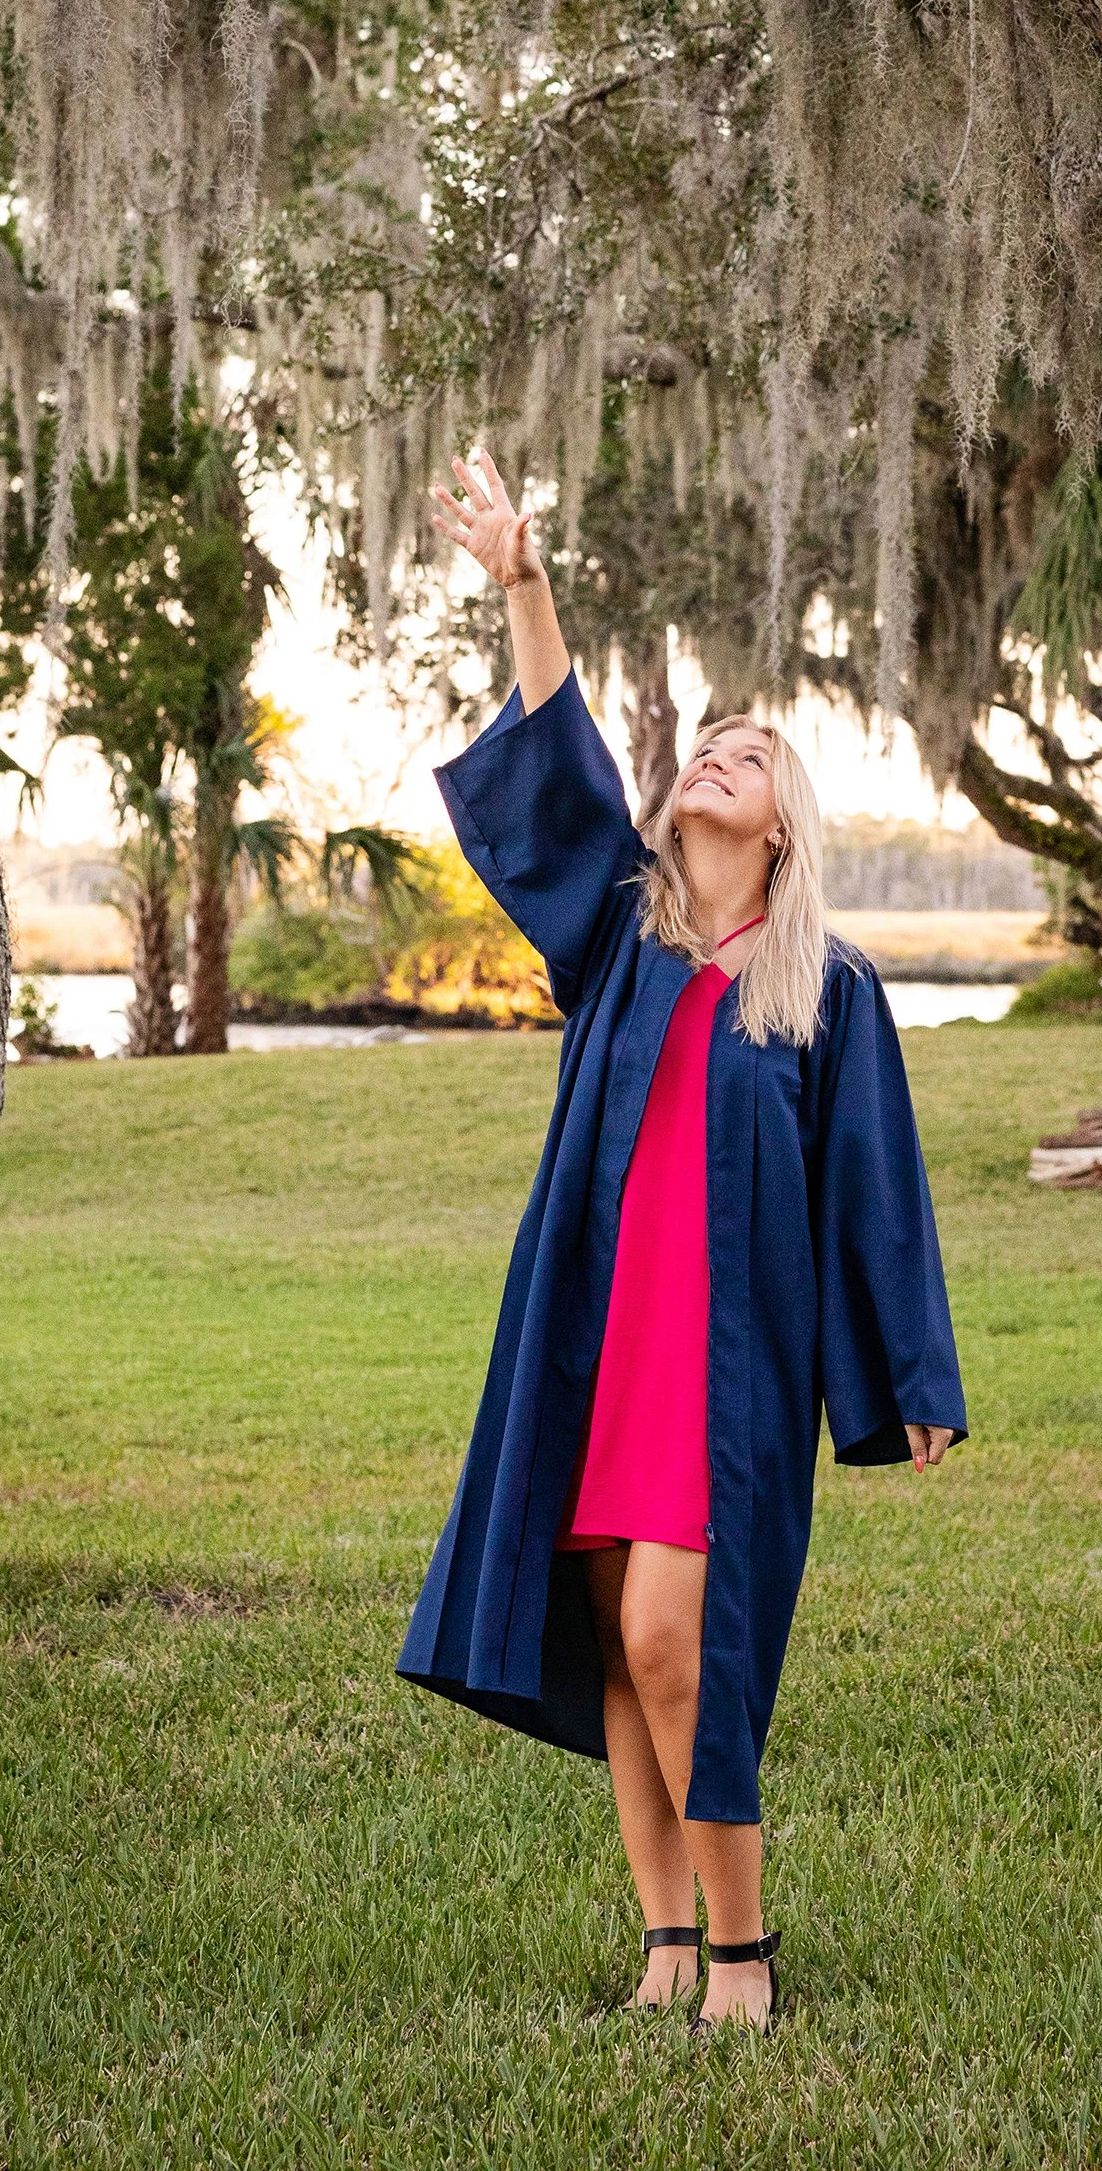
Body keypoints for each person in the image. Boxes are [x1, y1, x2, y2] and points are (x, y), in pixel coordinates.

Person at [397, 447, 966, 2034]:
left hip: (724, 1373)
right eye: (707, 745)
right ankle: (662, 1945)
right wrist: (524, 584)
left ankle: (745, 1954)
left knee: (674, 1636)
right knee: (612, 1644)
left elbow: (879, 1189)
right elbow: (563, 778)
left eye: (752, 755)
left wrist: (910, 1370)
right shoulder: (622, 945)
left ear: (785, 830)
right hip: (597, 1342)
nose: (718, 758)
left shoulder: (824, 992)